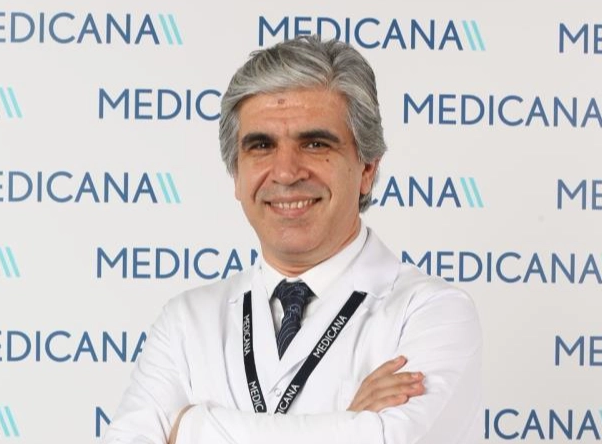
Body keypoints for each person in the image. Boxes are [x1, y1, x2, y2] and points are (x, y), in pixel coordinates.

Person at [102, 35, 481, 444]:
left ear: (367, 168)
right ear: (236, 174)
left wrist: (193, 427)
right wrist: (350, 424)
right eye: (261, 146)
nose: (285, 172)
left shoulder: (431, 313)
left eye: (315, 144)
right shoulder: (185, 322)